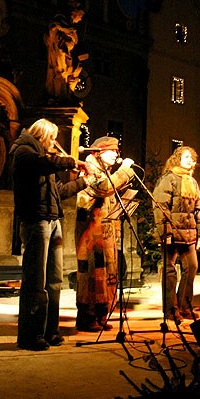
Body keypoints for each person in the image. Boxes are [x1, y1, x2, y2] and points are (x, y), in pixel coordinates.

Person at [9, 118, 92, 351]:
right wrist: (70, 162)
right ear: (43, 135)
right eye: (53, 138)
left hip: (53, 220)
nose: (55, 143)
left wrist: (85, 182)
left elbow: (60, 191)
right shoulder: (24, 152)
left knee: (54, 280)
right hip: (36, 220)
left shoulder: (46, 161)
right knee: (36, 281)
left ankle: (50, 331)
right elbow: (44, 164)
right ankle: (30, 335)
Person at [75, 136, 135, 332]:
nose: (116, 156)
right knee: (91, 274)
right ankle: (87, 317)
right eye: (112, 152)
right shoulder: (89, 168)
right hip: (90, 232)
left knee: (107, 274)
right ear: (98, 153)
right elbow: (103, 188)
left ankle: (101, 313)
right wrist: (125, 171)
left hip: (105, 232)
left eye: (117, 152)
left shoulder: (106, 171)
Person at [152, 146, 200, 322]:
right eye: (187, 156)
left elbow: (198, 209)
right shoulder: (169, 178)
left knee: (191, 267)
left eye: (193, 157)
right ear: (177, 159)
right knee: (169, 272)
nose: (191, 160)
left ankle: (184, 306)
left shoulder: (192, 181)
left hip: (188, 234)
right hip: (171, 233)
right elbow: (160, 206)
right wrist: (165, 232)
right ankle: (170, 309)